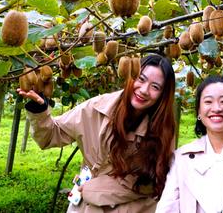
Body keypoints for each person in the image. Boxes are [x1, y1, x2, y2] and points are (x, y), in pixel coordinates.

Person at [17, 53, 177, 213]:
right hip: (83, 205)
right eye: (141, 79)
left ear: (163, 95)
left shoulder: (162, 129)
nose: (144, 90)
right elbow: (52, 134)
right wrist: (39, 109)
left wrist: (95, 190)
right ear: (131, 75)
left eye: (155, 87)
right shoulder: (97, 107)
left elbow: (156, 180)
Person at [156, 75, 223, 213]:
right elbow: (167, 208)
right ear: (199, 111)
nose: (216, 108)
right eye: (208, 101)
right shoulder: (181, 159)